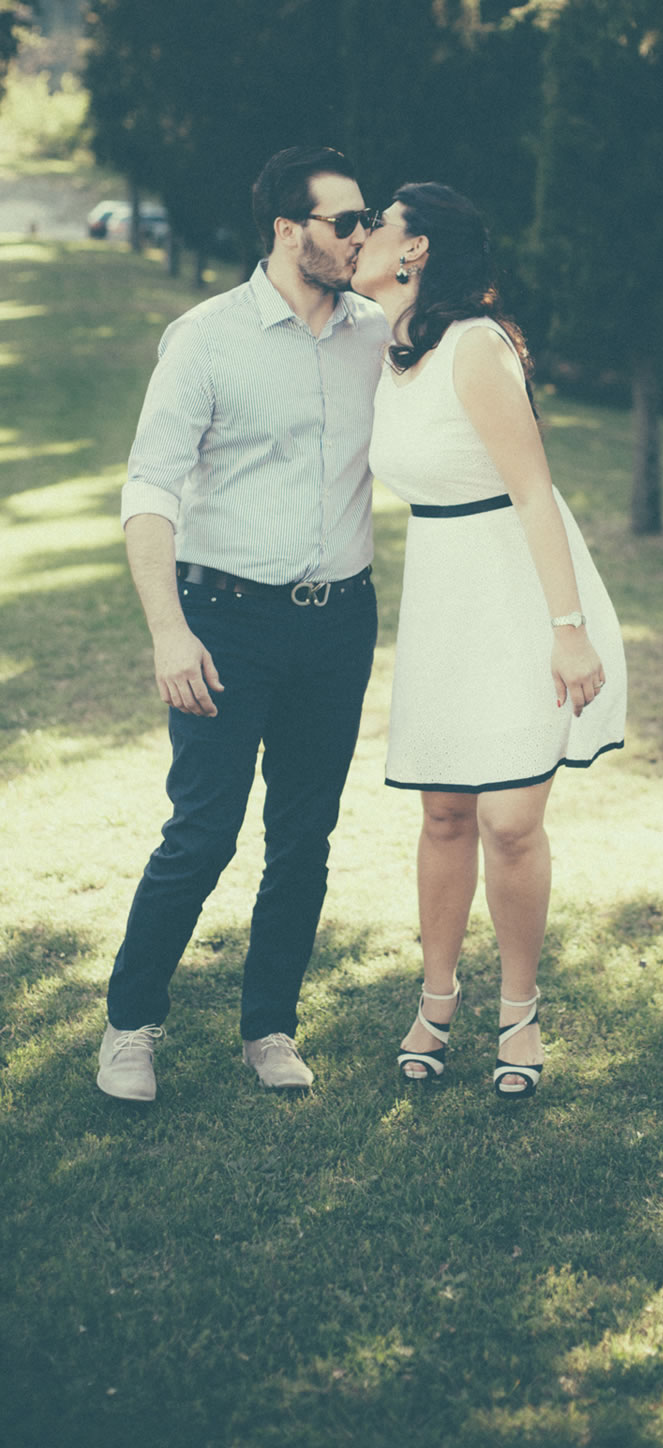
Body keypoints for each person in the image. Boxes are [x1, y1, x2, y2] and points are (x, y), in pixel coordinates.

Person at [96, 146, 388, 1102]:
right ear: (287, 230)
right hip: (225, 621)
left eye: (364, 220)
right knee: (203, 834)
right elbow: (150, 488)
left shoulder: (377, 337)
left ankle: (270, 1028)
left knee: (304, 838)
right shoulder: (206, 337)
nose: (360, 237)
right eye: (344, 223)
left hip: (340, 623)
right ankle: (131, 1026)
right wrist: (168, 630)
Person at [351, 183, 627, 1099]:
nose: (360, 236)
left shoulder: (475, 348)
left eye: (375, 224)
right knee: (443, 814)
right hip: (442, 591)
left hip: (520, 590)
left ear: (415, 248)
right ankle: (435, 1002)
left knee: (510, 821)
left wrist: (569, 632)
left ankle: (520, 1012)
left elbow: (535, 492)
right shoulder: (383, 345)